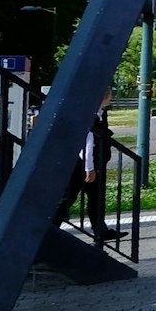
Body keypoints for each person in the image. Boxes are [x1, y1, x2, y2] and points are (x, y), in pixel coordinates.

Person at [58, 90, 123, 243]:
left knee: (96, 198)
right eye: (109, 95)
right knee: (69, 197)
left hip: (95, 163)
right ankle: (51, 226)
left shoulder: (99, 113)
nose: (111, 98)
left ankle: (101, 231)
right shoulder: (90, 116)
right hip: (85, 165)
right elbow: (87, 142)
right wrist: (89, 167)